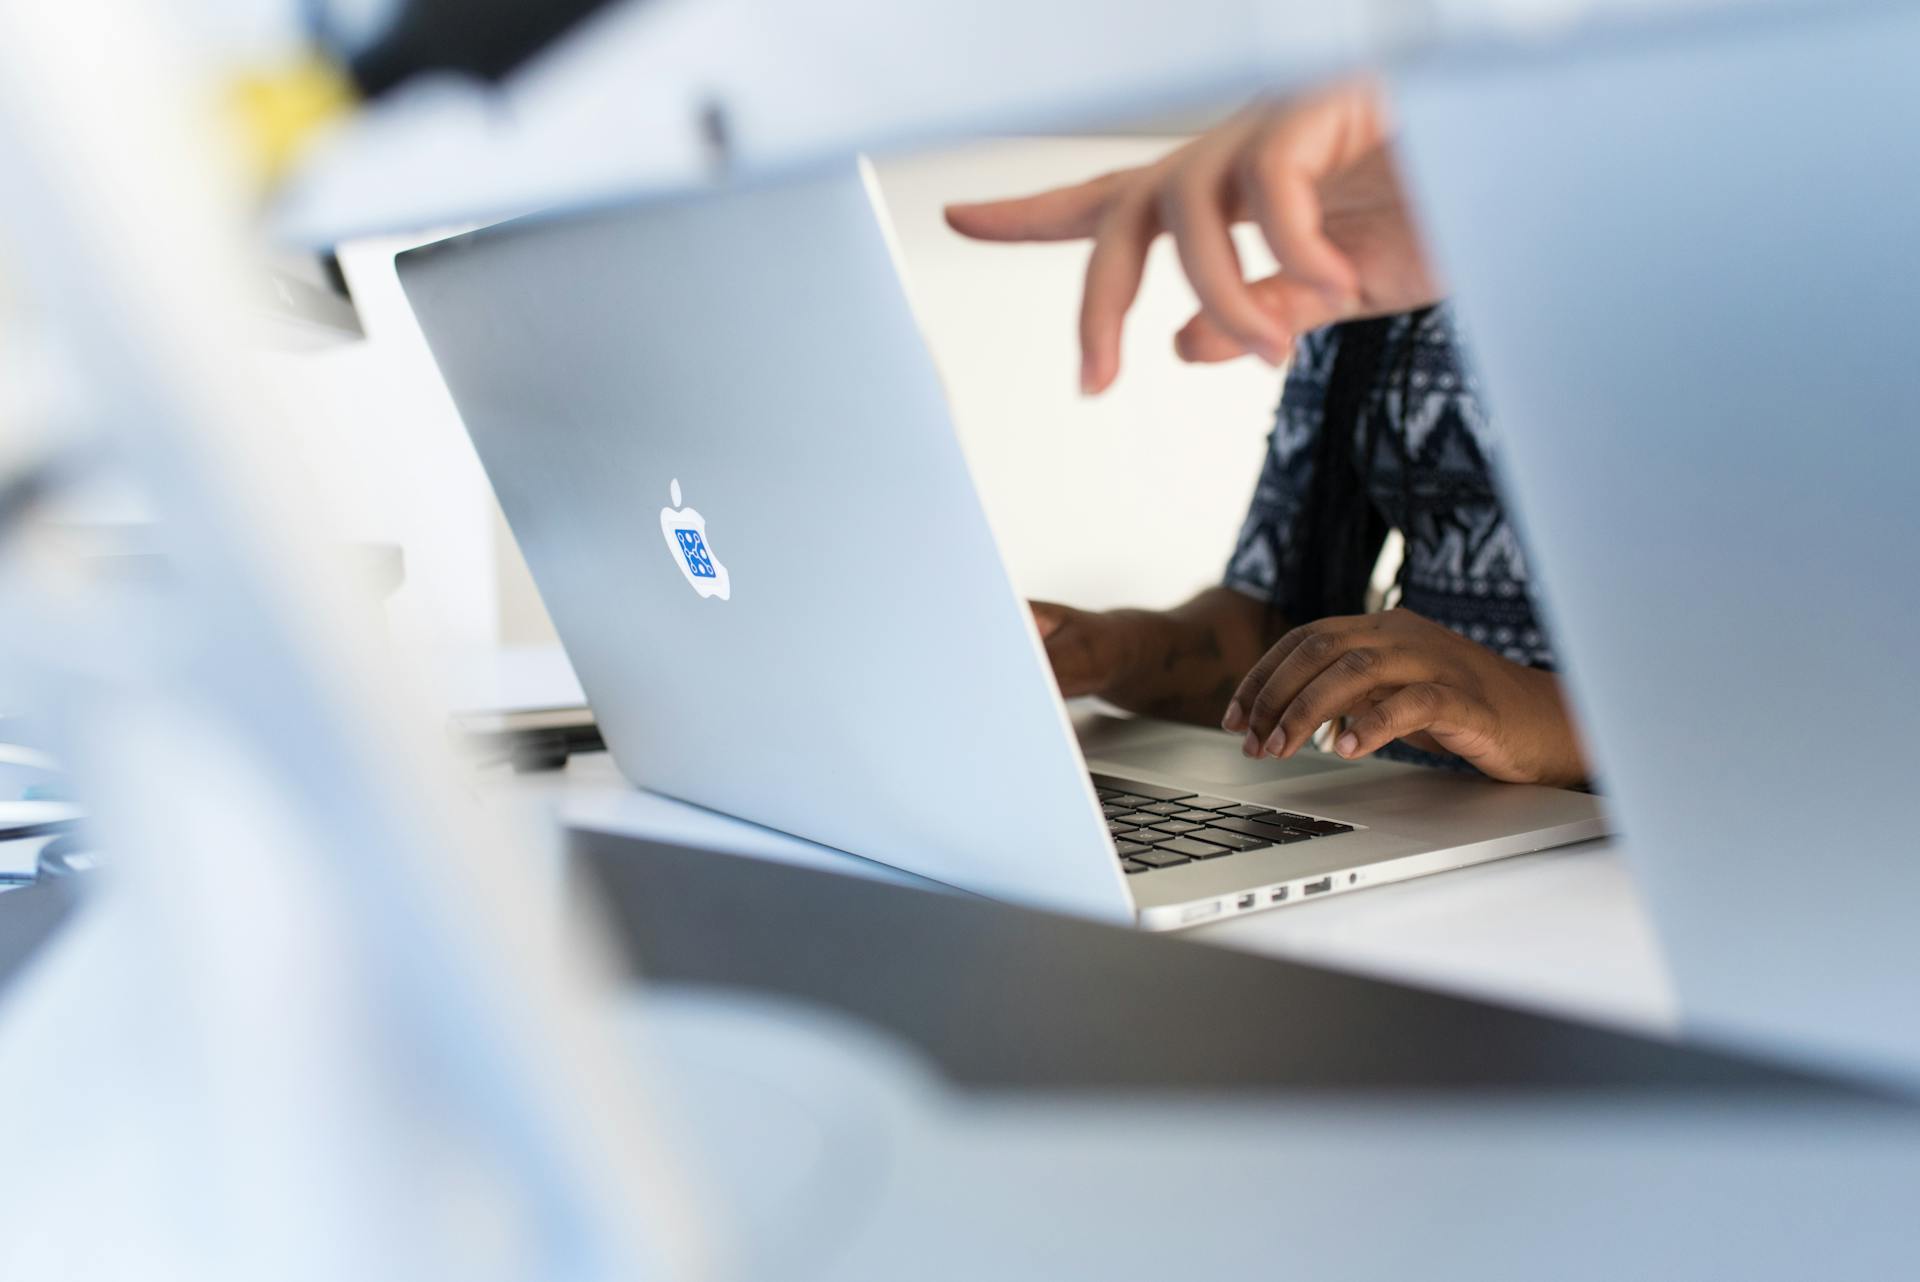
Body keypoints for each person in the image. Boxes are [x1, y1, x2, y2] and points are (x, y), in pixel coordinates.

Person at [945, 81, 1591, 789]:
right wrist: (1110, 652)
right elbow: (1280, 635)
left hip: (1643, 862)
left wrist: (1528, 709)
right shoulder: (1389, 260)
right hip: (1418, 830)